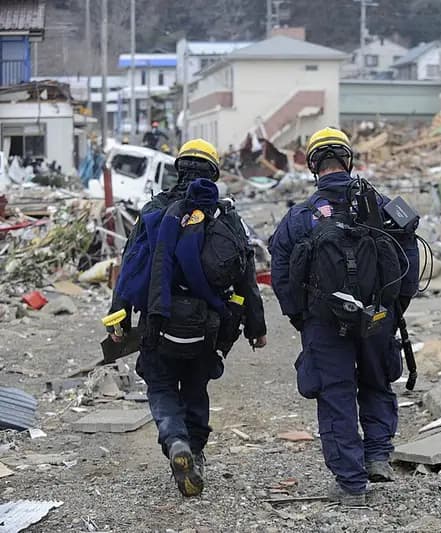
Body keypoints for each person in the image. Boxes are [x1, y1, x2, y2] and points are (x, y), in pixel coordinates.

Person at [268, 127, 420, 506]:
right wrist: (393, 307)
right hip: (378, 314)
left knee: (335, 394)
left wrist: (301, 317)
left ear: (312, 165)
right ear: (348, 160)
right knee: (376, 382)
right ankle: (378, 456)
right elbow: (409, 259)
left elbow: (281, 274)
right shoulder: (382, 206)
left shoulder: (300, 217)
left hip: (324, 321)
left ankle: (352, 485)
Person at [108, 138, 267, 497]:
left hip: (158, 320)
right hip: (208, 325)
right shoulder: (226, 217)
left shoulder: (155, 209)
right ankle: (194, 451)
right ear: (214, 173)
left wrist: (118, 318)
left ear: (178, 168)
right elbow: (246, 276)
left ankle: (175, 440)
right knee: (196, 387)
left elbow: (131, 266)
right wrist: (255, 328)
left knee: (161, 385)